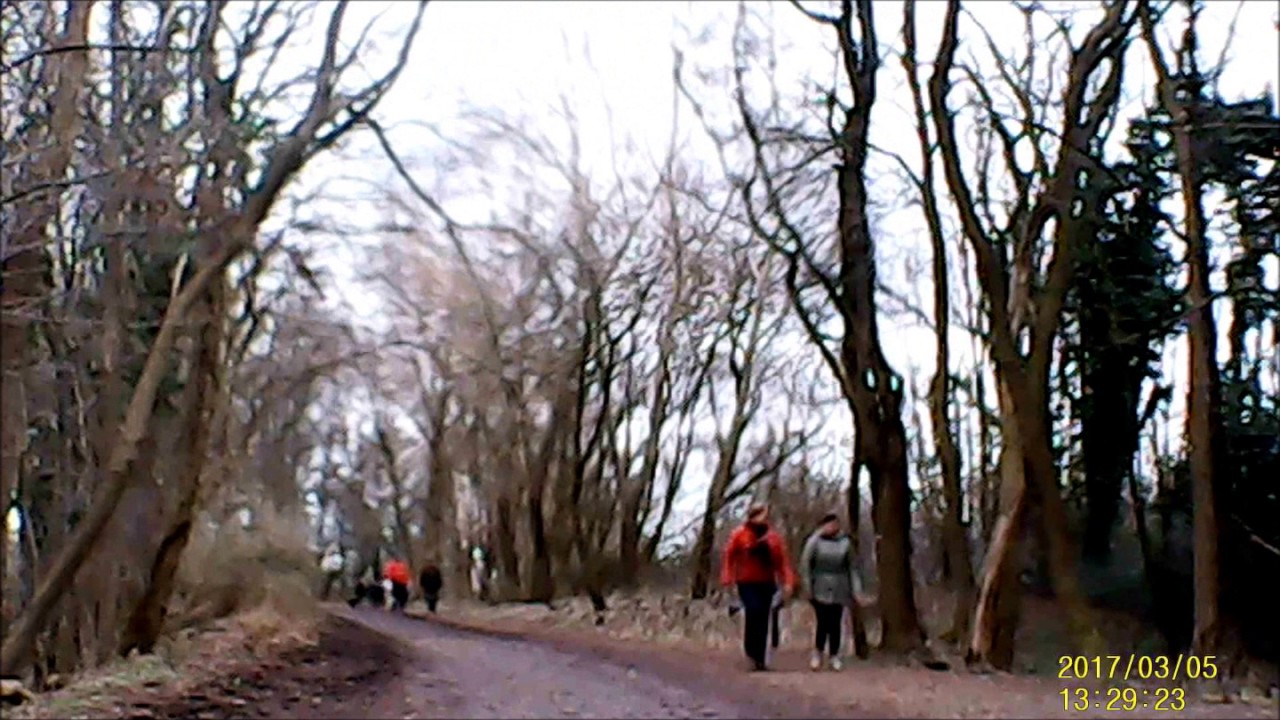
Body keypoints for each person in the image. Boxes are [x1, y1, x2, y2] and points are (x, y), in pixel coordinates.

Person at [720, 502, 796, 671]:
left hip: (766, 582)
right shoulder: (740, 534)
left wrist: (788, 582)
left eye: (765, 514)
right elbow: (729, 557)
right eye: (761, 514)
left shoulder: (773, 538)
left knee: (763, 618)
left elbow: (782, 562)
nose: (764, 517)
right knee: (753, 613)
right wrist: (727, 578)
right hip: (746, 582)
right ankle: (751, 652)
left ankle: (760, 658)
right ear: (753, 515)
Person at [798, 512, 862, 671]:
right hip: (819, 585)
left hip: (840, 586)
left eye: (835, 524)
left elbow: (852, 568)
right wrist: (807, 587)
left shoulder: (845, 543)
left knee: (836, 623)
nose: (832, 527)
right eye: (829, 524)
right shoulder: (814, 542)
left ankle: (835, 655)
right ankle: (818, 652)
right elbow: (805, 565)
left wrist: (856, 590)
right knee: (823, 621)